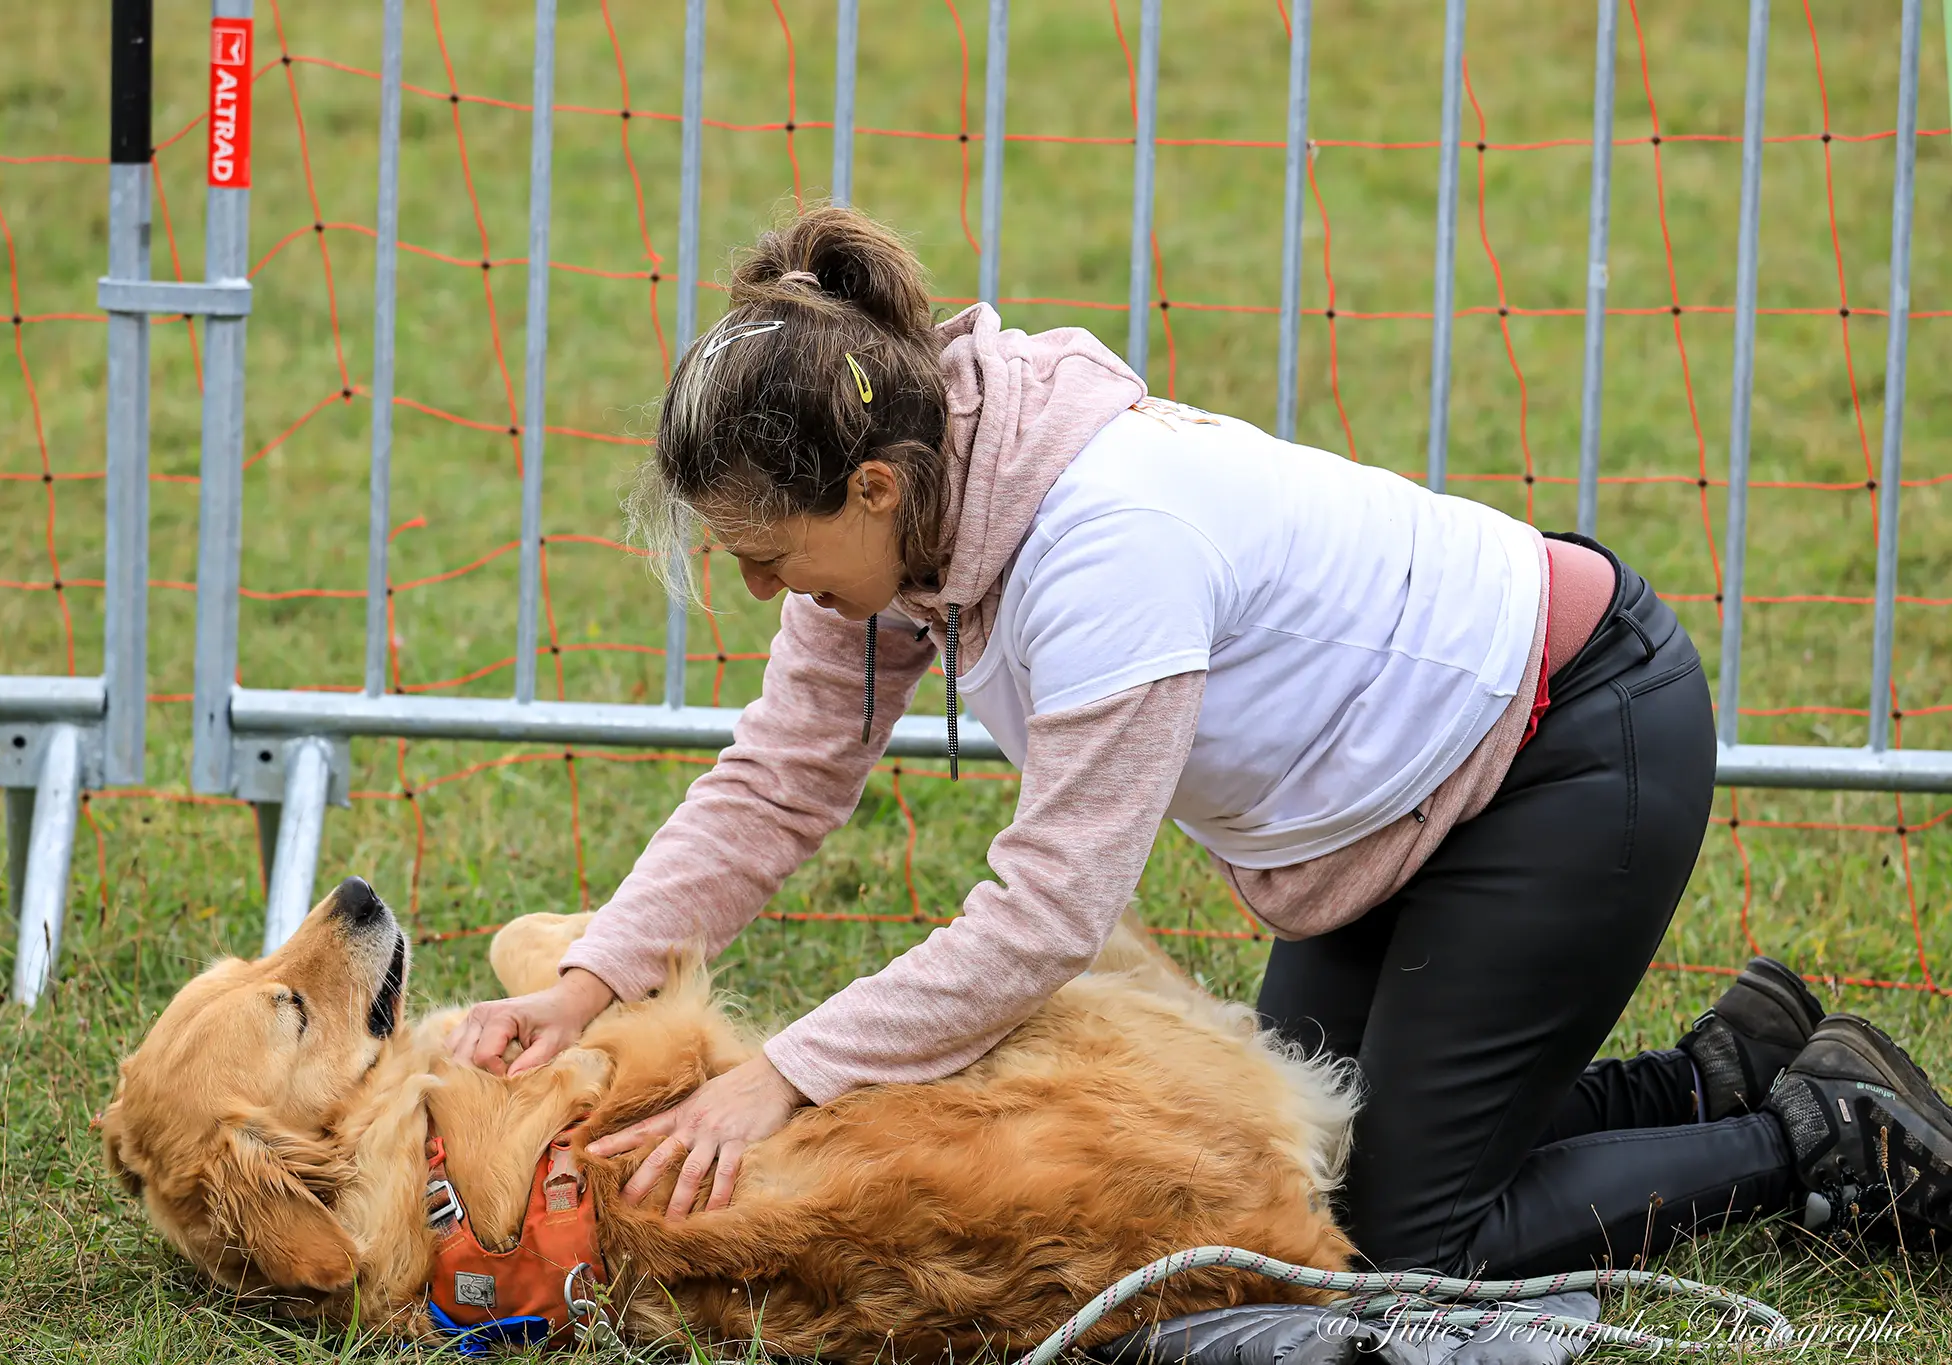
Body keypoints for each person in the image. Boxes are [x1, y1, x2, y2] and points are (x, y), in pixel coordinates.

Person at [449, 205, 1952, 1272]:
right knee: (1290, 1145)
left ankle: (1825, 1142)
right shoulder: (912, 507)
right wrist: (586, 988)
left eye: (766, 555)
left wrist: (787, 1074)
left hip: (1566, 751)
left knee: (1395, 1237)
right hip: (1393, 811)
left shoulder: (1109, 550)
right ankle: (1713, 1081)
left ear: (877, 491)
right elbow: (777, 781)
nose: (760, 591)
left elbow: (1048, 912)